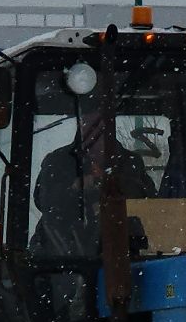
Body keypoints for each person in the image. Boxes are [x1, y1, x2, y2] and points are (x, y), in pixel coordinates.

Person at [30, 103, 157, 260]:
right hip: (59, 254)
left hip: (122, 251)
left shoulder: (130, 161)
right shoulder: (58, 161)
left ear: (110, 127)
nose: (93, 132)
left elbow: (147, 199)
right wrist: (76, 188)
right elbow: (44, 201)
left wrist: (107, 184)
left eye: (99, 126)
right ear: (80, 126)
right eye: (88, 124)